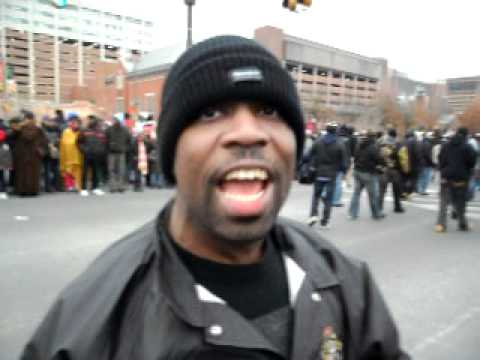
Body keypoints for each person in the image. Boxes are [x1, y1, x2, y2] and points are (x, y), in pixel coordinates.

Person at [21, 35, 409, 360]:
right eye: (211, 113)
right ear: (172, 153)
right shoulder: (93, 321)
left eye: (269, 110)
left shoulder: (345, 282)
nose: (247, 133)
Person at [435, 127, 477, 232]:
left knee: (444, 202)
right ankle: (462, 224)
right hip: (461, 179)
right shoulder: (468, 147)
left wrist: (443, 171)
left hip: (446, 177)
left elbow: (440, 159)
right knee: (460, 203)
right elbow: (472, 162)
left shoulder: (445, 145)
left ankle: (441, 225)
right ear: (466, 135)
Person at [307, 122, 347, 229]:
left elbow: (308, 155)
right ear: (336, 130)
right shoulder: (340, 144)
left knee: (316, 196)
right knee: (329, 199)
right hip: (332, 175)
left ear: (326, 129)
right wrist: (343, 172)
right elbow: (344, 163)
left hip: (319, 173)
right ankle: (325, 221)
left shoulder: (318, 141)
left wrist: (309, 164)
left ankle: (313, 215)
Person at [348, 129, 386, 220]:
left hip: (357, 171)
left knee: (356, 193)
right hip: (368, 173)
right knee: (373, 195)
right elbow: (380, 160)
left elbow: (355, 157)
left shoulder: (359, 144)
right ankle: (376, 214)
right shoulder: (373, 147)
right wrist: (383, 165)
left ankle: (353, 214)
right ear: (373, 137)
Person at [11, 111, 48, 196]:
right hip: (29, 155)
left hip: (27, 154)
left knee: (25, 173)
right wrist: (41, 150)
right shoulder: (37, 129)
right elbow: (44, 142)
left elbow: (14, 136)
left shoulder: (22, 128)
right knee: (29, 173)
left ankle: (24, 191)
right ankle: (31, 191)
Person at [77, 115, 107, 196]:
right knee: (85, 172)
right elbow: (79, 142)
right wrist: (84, 150)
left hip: (97, 155)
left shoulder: (100, 131)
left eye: (93, 120)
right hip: (87, 154)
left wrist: (101, 151)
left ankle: (95, 188)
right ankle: (83, 189)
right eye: (90, 120)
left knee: (96, 172)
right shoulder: (84, 131)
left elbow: (104, 142)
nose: (91, 122)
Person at [378, 128, 405, 213]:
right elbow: (402, 157)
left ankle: (379, 208)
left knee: (381, 190)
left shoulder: (380, 141)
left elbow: (376, 153)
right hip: (395, 169)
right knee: (396, 190)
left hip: (383, 169)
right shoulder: (399, 143)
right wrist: (403, 168)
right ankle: (397, 207)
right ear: (395, 135)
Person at [105, 115, 131, 193]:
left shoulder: (125, 130)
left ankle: (120, 186)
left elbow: (129, 140)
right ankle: (113, 187)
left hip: (121, 153)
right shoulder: (109, 129)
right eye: (114, 119)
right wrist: (108, 147)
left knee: (121, 170)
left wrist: (125, 148)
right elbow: (105, 139)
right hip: (111, 152)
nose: (114, 121)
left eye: (116, 119)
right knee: (111, 170)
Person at [59, 114, 83, 192]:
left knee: (78, 171)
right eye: (71, 122)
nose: (73, 124)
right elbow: (63, 143)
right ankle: (70, 185)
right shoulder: (66, 132)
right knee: (68, 170)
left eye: (75, 122)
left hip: (78, 155)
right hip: (68, 155)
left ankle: (78, 185)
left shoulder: (81, 132)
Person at [0, 118, 12, 199]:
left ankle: (3, 191)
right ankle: (3, 191)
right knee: (2, 175)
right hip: (4, 153)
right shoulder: (6, 129)